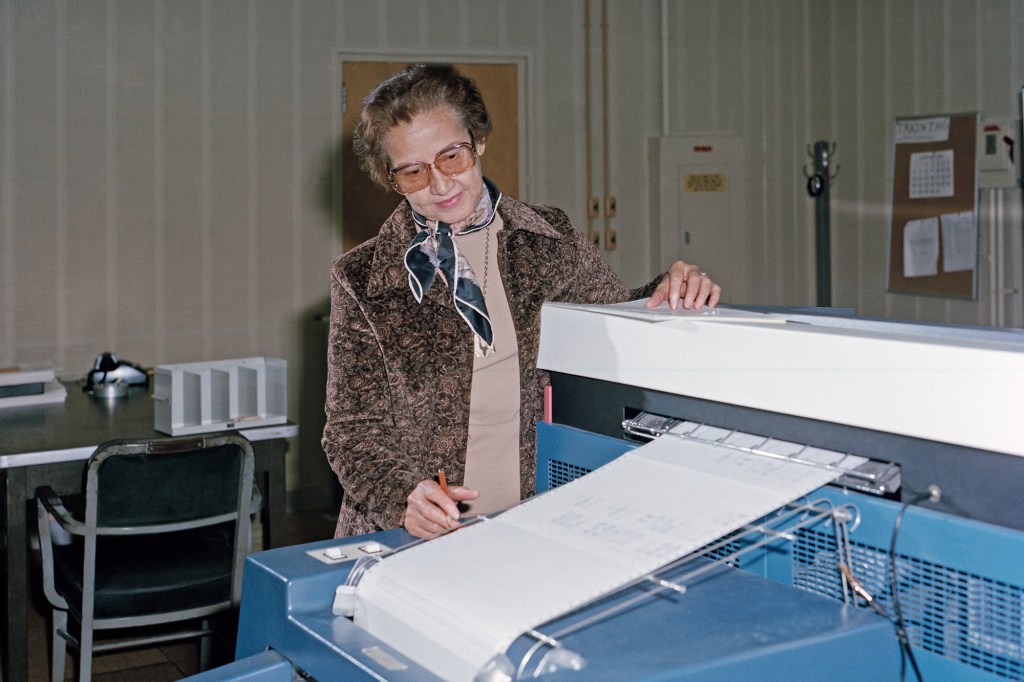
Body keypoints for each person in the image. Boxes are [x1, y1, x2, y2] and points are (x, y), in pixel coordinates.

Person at [323, 64, 720, 539]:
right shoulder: (363, 279)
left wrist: (671, 288)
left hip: (530, 523)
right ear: (391, 178)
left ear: (479, 141)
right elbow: (351, 429)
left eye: (452, 156)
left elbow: (611, 318)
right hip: (413, 536)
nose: (441, 184)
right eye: (413, 172)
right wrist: (403, 497)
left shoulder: (547, 240)